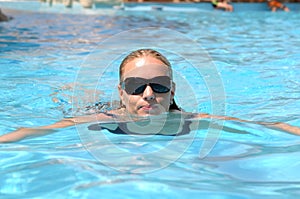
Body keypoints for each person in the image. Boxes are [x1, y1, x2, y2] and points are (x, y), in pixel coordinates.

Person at [0, 49, 299, 142]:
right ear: (121, 92)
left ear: (172, 92)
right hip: (104, 109)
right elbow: (37, 131)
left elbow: (262, 127)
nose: (148, 94)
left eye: (158, 86)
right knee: (68, 104)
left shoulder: (190, 120)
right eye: (135, 86)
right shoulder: (103, 118)